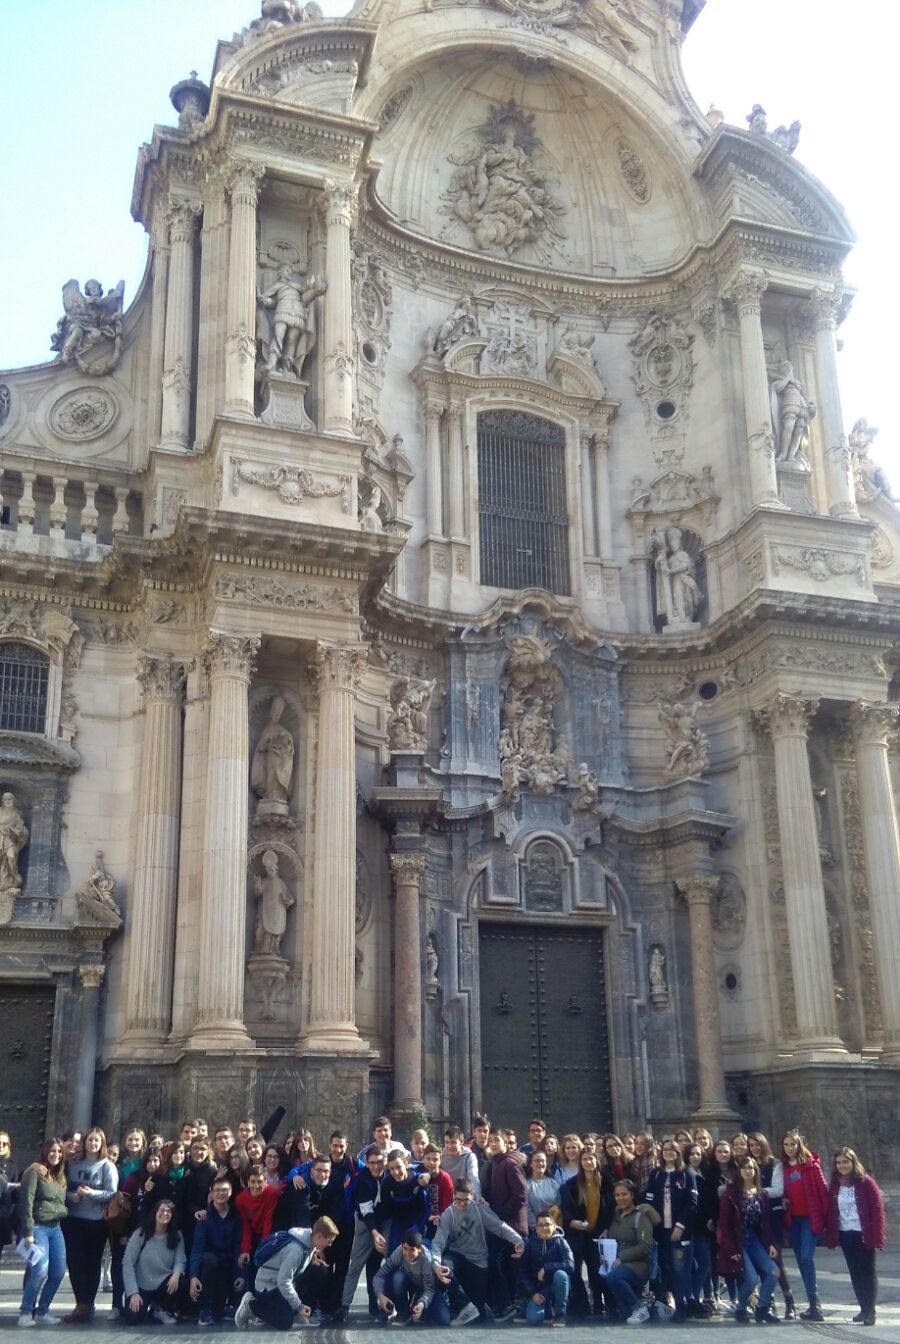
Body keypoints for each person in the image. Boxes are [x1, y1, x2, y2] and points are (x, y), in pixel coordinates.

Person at [430, 1178, 524, 1323]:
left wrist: (518, 1240)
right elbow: (438, 1243)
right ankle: (464, 1306)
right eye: (458, 1200)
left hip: (478, 1261)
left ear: (472, 1195)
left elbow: (499, 1227)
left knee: (480, 1313)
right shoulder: (449, 1214)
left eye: (466, 1200)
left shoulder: (480, 1209)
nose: (462, 1204)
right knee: (444, 1266)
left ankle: (481, 1308)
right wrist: (436, 1264)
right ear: (454, 1196)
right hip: (457, 1256)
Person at [235, 1217, 339, 1330]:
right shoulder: (296, 1251)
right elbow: (283, 1281)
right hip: (268, 1286)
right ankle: (252, 1305)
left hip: (279, 1282)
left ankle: (299, 1313)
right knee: (285, 1321)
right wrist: (299, 1306)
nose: (329, 1245)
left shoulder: (309, 1242)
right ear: (319, 1236)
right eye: (329, 1241)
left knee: (319, 1269)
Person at [61, 1127, 119, 1321]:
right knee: (75, 1262)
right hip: (73, 1219)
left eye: (97, 1141)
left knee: (92, 1263)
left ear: (102, 1144)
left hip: (96, 1222)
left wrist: (91, 1193)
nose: (93, 1144)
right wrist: (73, 1197)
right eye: (90, 1140)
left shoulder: (107, 1166)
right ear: (85, 1142)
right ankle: (81, 1302)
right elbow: (62, 1188)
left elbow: (111, 1193)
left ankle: (88, 1304)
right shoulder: (73, 1163)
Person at [825, 1147, 886, 1327]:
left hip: (863, 1233)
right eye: (838, 1162)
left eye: (845, 1161)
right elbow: (831, 1210)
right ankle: (863, 1308)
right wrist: (831, 1235)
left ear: (853, 1162)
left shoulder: (866, 1182)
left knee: (867, 1272)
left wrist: (877, 1237)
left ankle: (870, 1311)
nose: (842, 1165)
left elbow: (877, 1210)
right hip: (845, 1233)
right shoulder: (835, 1184)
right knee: (855, 1272)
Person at [716, 1156, 780, 1325]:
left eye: (750, 1168)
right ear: (739, 1171)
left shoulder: (761, 1194)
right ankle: (741, 1308)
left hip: (754, 1239)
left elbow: (765, 1224)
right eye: (744, 1168)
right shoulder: (731, 1193)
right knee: (751, 1278)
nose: (747, 1171)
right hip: (737, 1239)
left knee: (773, 1271)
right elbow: (724, 1225)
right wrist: (730, 1249)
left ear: (755, 1171)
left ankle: (762, 1308)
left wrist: (771, 1244)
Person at [643, 1137, 697, 1321]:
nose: (669, 1153)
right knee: (663, 1267)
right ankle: (664, 1302)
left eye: (672, 1150)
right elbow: (649, 1199)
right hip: (661, 1230)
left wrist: (680, 1225)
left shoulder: (686, 1173)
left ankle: (682, 1304)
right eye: (665, 1149)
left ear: (678, 1153)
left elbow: (692, 1203)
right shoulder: (656, 1173)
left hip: (680, 1231)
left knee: (679, 1268)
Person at [17, 1138, 69, 1326]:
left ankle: (43, 1310)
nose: (56, 1154)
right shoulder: (35, 1172)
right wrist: (28, 1231)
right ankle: (25, 1312)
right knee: (39, 1270)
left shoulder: (59, 1176)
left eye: (59, 1152)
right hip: (38, 1227)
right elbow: (27, 1201)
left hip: (56, 1228)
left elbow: (58, 1200)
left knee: (58, 1272)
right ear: (45, 1151)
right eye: (52, 1151)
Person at [335, 1146, 387, 1323]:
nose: (376, 1166)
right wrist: (374, 1233)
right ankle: (345, 1305)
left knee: (378, 1265)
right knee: (356, 1264)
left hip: (385, 1222)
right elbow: (366, 1211)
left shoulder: (389, 1175)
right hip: (365, 1223)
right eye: (372, 1163)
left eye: (379, 1162)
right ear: (367, 1163)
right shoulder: (363, 1180)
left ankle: (377, 1304)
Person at [782, 1130, 828, 1321]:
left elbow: (823, 1192)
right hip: (794, 1220)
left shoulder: (811, 1166)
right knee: (800, 1259)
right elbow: (783, 1191)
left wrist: (827, 1221)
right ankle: (811, 1304)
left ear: (799, 1145)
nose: (790, 1148)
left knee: (807, 1257)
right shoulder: (784, 1168)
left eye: (793, 1144)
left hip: (810, 1218)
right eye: (786, 1144)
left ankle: (815, 1302)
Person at [749, 1131, 795, 1320]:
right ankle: (768, 1301)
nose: (754, 1148)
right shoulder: (748, 1165)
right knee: (762, 1263)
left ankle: (789, 1300)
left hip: (772, 1217)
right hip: (755, 1218)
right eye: (751, 1145)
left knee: (776, 1261)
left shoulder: (775, 1164)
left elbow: (778, 1190)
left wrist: (755, 1191)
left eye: (757, 1144)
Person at [189, 1177, 245, 1325]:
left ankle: (226, 1305)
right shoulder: (204, 1216)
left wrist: (239, 1274)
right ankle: (204, 1309)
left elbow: (237, 1246)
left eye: (224, 1190)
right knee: (209, 1259)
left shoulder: (236, 1215)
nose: (221, 1193)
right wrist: (193, 1276)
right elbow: (197, 1248)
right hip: (209, 1266)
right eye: (217, 1190)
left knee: (218, 1313)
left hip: (227, 1266)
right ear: (211, 1193)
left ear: (230, 1192)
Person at [121, 1199, 186, 1326]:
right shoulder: (140, 1234)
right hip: (141, 1285)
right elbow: (128, 1264)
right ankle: (138, 1302)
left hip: (163, 1282)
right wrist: (133, 1292)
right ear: (155, 1213)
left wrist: (176, 1274)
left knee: (182, 1282)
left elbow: (180, 1260)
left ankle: (161, 1309)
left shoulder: (177, 1236)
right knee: (133, 1319)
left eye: (169, 1211)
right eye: (162, 1210)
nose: (165, 1213)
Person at [561, 1147, 609, 1317]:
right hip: (577, 1233)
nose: (588, 1162)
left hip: (599, 1234)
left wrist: (606, 1228)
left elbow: (611, 1208)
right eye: (585, 1159)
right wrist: (572, 1222)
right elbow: (566, 1209)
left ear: (596, 1161)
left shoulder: (606, 1182)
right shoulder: (571, 1184)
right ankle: (582, 1304)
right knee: (575, 1269)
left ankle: (599, 1303)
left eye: (591, 1159)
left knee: (596, 1270)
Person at [601, 1179, 654, 1324]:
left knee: (613, 1277)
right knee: (625, 1316)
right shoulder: (614, 1218)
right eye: (617, 1195)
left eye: (624, 1194)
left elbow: (644, 1247)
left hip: (638, 1265)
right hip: (618, 1264)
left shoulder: (641, 1217)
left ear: (632, 1195)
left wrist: (621, 1257)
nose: (621, 1198)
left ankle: (639, 1308)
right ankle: (645, 1311)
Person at [373, 1229, 451, 1325]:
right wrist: (380, 1296)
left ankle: (422, 1308)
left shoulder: (426, 1260)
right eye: (405, 1248)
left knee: (443, 1320)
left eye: (412, 1250)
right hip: (410, 1283)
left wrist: (421, 1304)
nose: (407, 1253)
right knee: (397, 1278)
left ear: (420, 1249)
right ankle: (403, 1312)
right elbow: (379, 1275)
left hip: (427, 1288)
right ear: (401, 1246)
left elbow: (429, 1289)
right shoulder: (399, 1252)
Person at [519, 1209, 574, 1326]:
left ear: (554, 1226)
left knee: (561, 1275)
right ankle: (546, 1310)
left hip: (558, 1287)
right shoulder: (529, 1244)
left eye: (547, 1224)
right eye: (541, 1225)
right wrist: (533, 1293)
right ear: (536, 1228)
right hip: (539, 1290)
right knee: (533, 1319)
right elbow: (523, 1271)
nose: (544, 1228)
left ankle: (560, 1315)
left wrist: (546, 1267)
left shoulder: (562, 1242)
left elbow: (570, 1265)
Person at [236, 1166, 281, 1280]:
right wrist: (245, 1249)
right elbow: (245, 1225)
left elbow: (268, 1220)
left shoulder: (272, 1194)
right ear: (248, 1182)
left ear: (265, 1181)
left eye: (260, 1182)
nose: (256, 1186)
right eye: (253, 1182)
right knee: (246, 1261)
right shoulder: (240, 1199)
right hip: (251, 1234)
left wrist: (263, 1248)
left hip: (268, 1234)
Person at [420, 1145, 453, 1239]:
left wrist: (439, 1217)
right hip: (421, 1220)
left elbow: (448, 1205)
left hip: (439, 1221)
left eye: (435, 1159)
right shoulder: (418, 1174)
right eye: (428, 1159)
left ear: (440, 1161)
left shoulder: (445, 1178)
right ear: (423, 1159)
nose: (431, 1162)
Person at [526, 1150, 560, 1231]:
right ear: (531, 1164)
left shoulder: (553, 1183)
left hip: (554, 1228)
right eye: (537, 1161)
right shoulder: (526, 1185)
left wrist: (551, 1226)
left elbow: (559, 1205)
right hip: (534, 1230)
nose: (540, 1163)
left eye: (543, 1161)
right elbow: (527, 1210)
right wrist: (540, 1227)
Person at [440, 1126, 479, 1193]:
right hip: (446, 1193)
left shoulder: (469, 1157)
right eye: (446, 1142)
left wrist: (477, 1195)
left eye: (453, 1142)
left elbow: (473, 1178)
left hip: (463, 1195)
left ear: (461, 1141)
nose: (449, 1146)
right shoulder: (441, 1156)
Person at [0, 1130, 19, 1251]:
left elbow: (14, 1197)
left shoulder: (12, 1167)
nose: (1, 1146)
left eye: (4, 1144)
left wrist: (18, 1187)